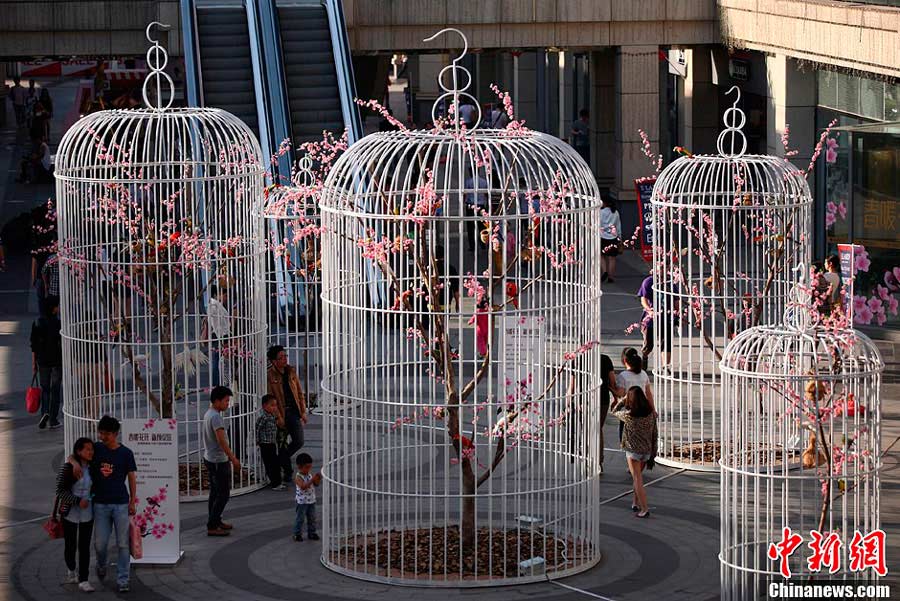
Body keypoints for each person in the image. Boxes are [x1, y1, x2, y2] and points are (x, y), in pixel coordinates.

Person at [91, 415, 137, 593]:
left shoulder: (126, 453)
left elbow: (132, 477)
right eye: (100, 433)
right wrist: (73, 462)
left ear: (116, 434)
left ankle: (123, 579)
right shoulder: (95, 449)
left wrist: (132, 500)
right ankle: (101, 564)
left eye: (106, 434)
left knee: (123, 543)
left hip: (120, 504)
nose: (102, 437)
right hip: (100, 504)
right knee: (100, 543)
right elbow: (76, 455)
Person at [611, 386, 658, 518]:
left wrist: (622, 400)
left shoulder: (628, 416)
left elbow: (613, 411)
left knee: (637, 479)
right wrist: (653, 452)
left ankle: (644, 509)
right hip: (646, 451)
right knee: (637, 477)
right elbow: (655, 433)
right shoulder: (651, 415)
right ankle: (635, 502)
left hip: (633, 452)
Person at [56, 437, 96, 592]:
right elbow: (59, 490)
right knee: (70, 545)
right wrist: (77, 500)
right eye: (87, 449)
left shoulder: (93, 467)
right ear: (79, 451)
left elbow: (96, 487)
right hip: (70, 512)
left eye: (92, 449)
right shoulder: (67, 468)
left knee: (85, 546)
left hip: (88, 512)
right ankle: (71, 568)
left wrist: (90, 498)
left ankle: (84, 579)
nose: (91, 452)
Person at [266, 346, 308, 484]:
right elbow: (271, 398)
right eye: (281, 357)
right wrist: (278, 417)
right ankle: (287, 472)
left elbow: (300, 393)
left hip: (294, 412)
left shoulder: (291, 371)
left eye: (285, 356)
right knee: (282, 443)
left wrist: (303, 411)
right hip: (282, 412)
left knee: (299, 440)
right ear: (273, 361)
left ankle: (279, 461)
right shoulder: (270, 375)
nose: (284, 359)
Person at [203, 385, 241, 536]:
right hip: (218, 460)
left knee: (215, 492)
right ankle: (212, 525)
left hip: (210, 458)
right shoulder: (216, 417)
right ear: (217, 401)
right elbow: (221, 441)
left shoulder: (209, 413)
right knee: (223, 494)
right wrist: (233, 458)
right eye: (226, 401)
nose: (228, 404)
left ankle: (216, 519)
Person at [31, 295, 63, 429]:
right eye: (57, 306)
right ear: (53, 308)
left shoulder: (38, 322)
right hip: (56, 360)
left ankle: (44, 413)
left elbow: (33, 344)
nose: (59, 308)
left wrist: (34, 362)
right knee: (55, 389)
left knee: (45, 389)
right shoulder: (58, 323)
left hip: (42, 361)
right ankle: (53, 418)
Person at [637, 272, 671, 370]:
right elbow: (643, 299)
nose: (663, 269)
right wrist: (649, 309)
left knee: (666, 343)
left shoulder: (670, 282)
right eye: (661, 266)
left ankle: (665, 367)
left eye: (666, 266)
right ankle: (645, 355)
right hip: (651, 319)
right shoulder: (648, 281)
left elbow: (676, 299)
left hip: (666, 317)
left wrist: (679, 313)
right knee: (649, 345)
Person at [256, 394, 285, 490]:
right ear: (264, 406)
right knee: (270, 464)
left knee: (275, 463)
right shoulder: (263, 417)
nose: (274, 407)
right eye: (272, 405)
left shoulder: (272, 415)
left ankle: (277, 481)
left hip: (272, 443)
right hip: (265, 444)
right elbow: (258, 429)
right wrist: (257, 440)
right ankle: (275, 483)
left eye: (275, 405)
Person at [203, 285, 231, 385]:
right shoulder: (215, 306)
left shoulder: (215, 305)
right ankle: (217, 384)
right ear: (217, 294)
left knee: (218, 361)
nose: (226, 298)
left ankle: (218, 383)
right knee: (216, 361)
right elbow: (216, 325)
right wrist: (222, 339)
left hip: (219, 336)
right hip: (219, 336)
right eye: (225, 295)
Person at [292, 453, 322, 542]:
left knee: (312, 518)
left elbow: (316, 484)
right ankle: (297, 534)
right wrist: (312, 479)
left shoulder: (309, 474)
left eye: (310, 467)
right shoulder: (298, 477)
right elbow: (303, 486)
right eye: (307, 467)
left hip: (311, 500)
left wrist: (318, 478)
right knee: (300, 519)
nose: (309, 469)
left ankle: (312, 533)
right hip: (301, 502)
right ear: (299, 466)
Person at [463, 172, 489, 251]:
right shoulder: (484, 181)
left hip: (471, 205)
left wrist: (465, 202)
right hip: (481, 205)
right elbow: (486, 194)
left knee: (471, 227)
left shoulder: (468, 181)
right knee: (482, 226)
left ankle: (472, 246)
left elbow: (465, 193)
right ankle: (483, 243)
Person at [600, 198, 622, 283]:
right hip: (613, 237)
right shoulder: (615, 212)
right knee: (612, 258)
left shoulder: (600, 212)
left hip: (602, 237)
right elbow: (618, 226)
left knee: (602, 256)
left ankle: (604, 271)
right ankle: (611, 277)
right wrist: (620, 238)